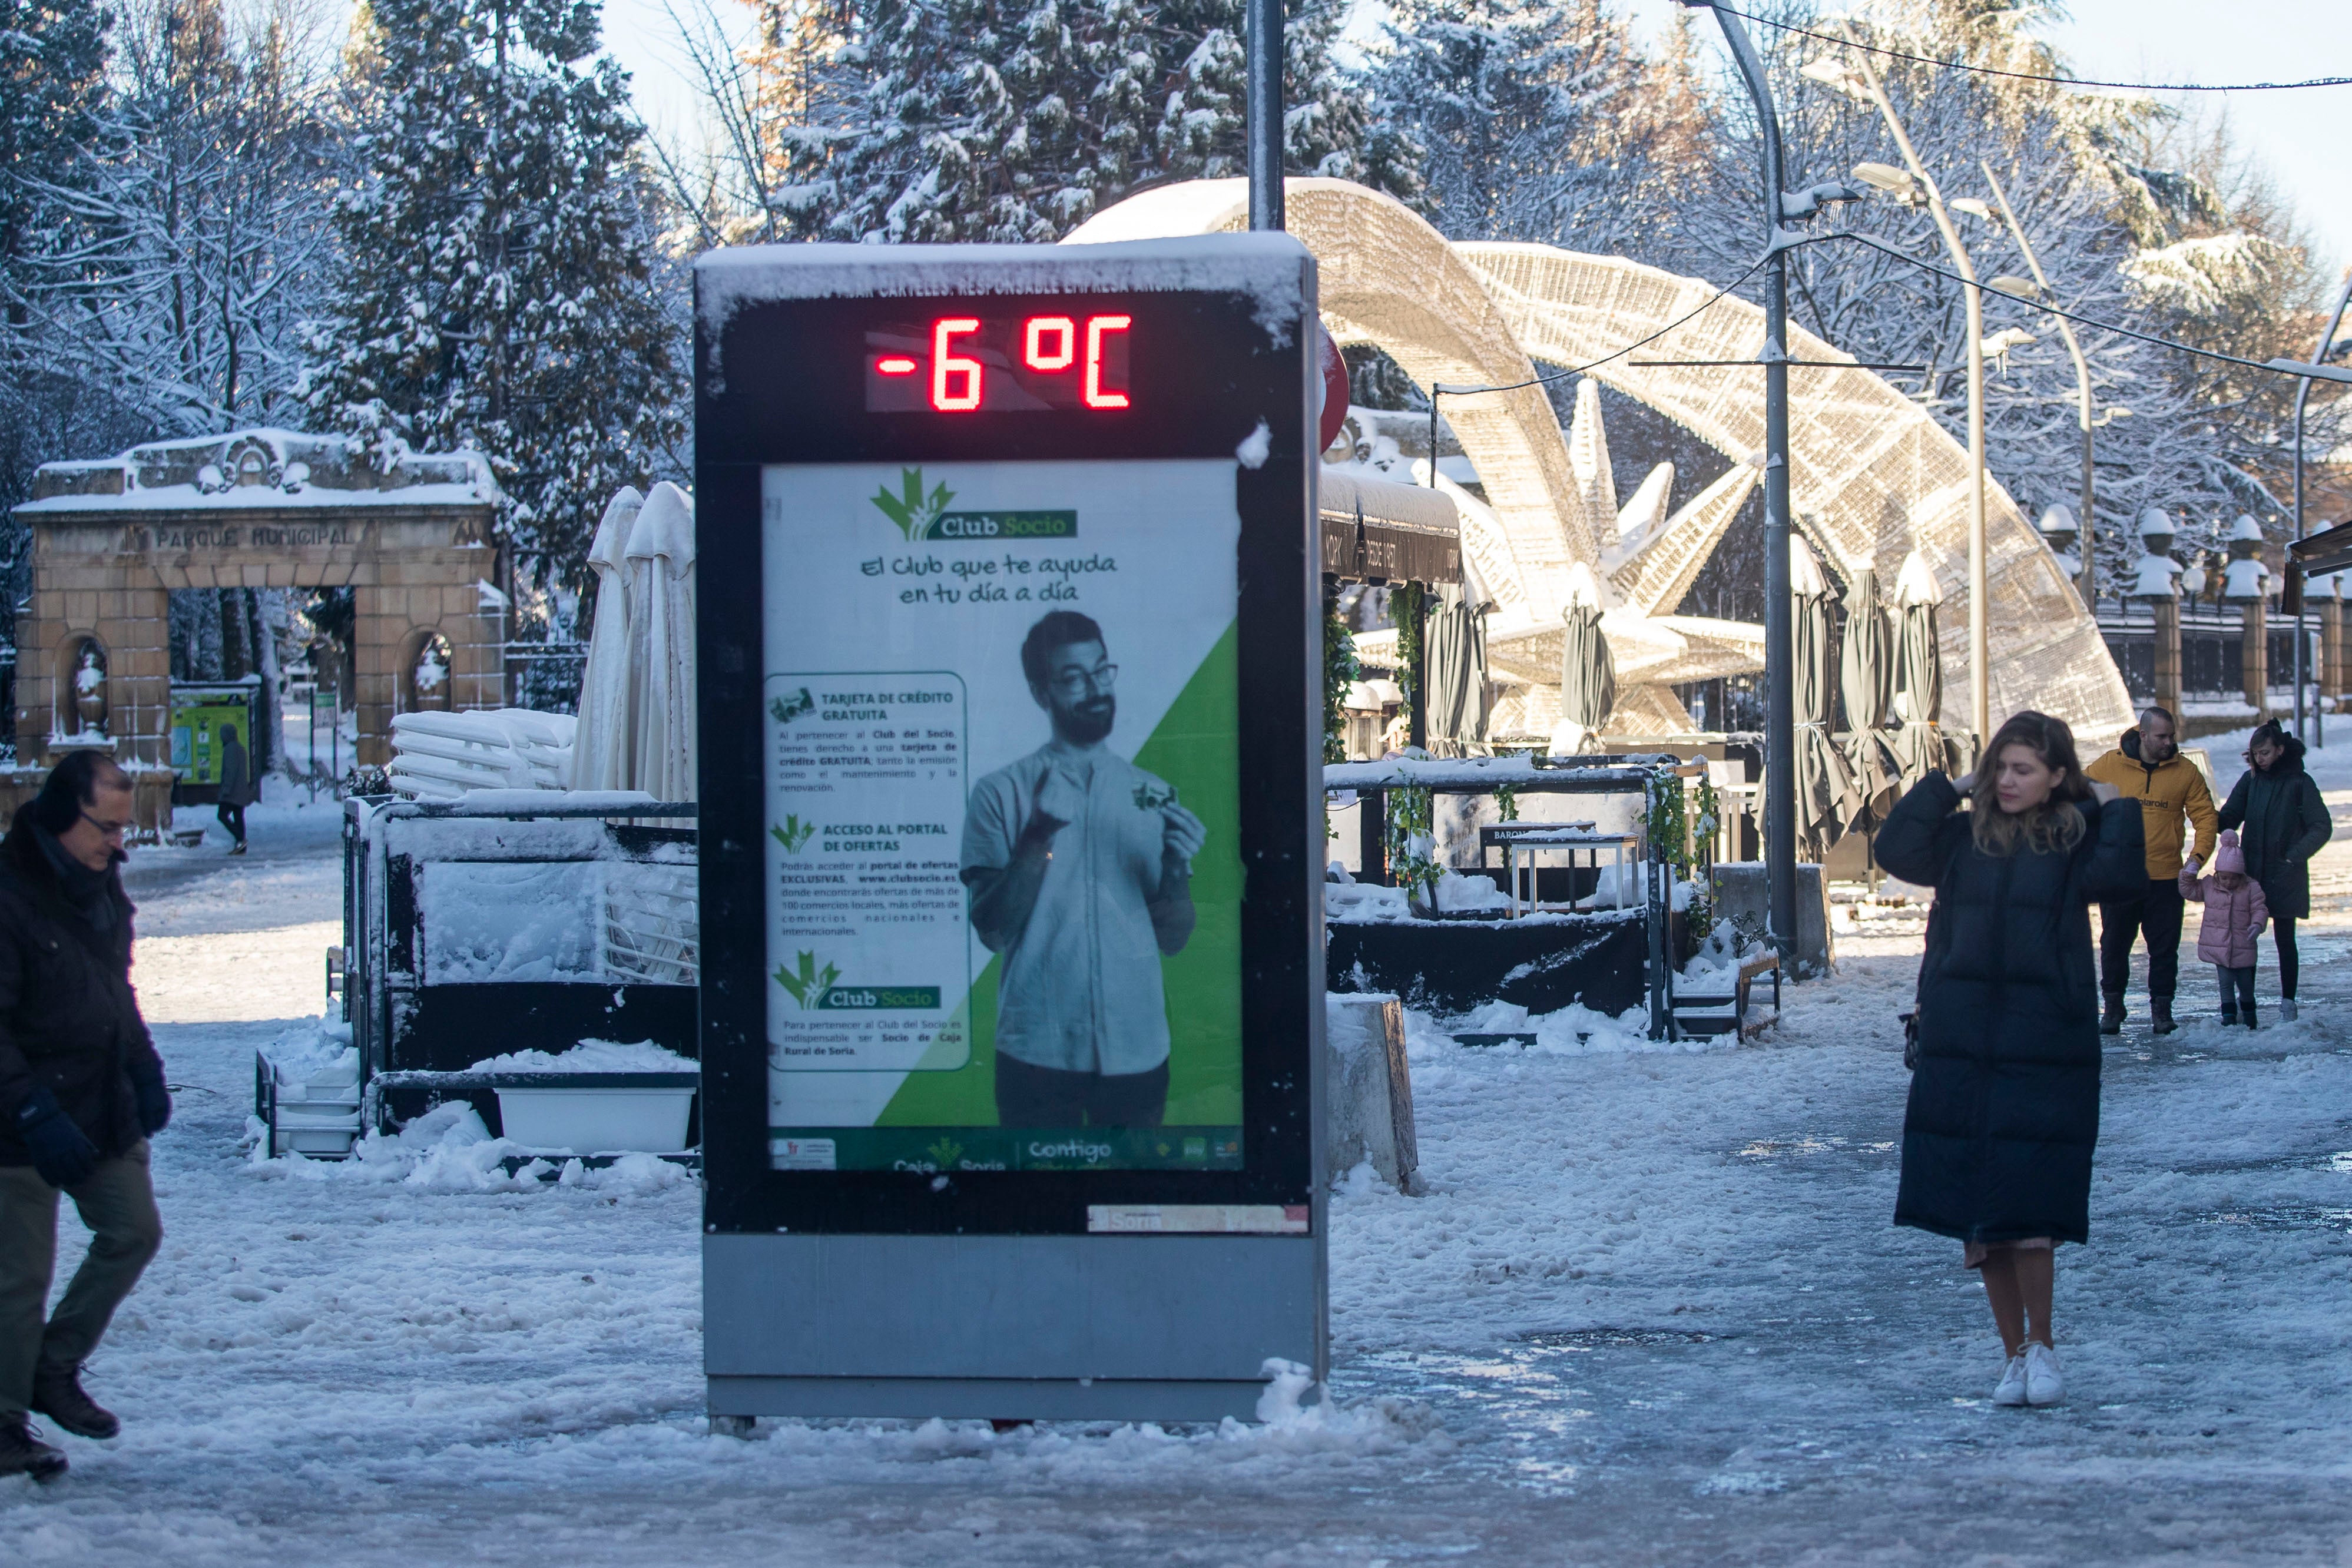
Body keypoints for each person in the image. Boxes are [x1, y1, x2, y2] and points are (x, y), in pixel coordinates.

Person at [1877, 710, 2144, 1410]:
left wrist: (2115, 808)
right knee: (1981, 1218)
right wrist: (1953, 784)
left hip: (2042, 1043)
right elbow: (1894, 848)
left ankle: (2045, 1343)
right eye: (2001, 766)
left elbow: (2122, 876)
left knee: (2031, 1209)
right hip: (1961, 1044)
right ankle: (2011, 1354)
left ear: (2057, 776)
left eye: (2024, 768)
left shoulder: (2071, 837)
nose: (2007, 779)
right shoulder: (1963, 837)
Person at [960, 611, 1207, 1128]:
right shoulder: (1000, 793)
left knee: (1135, 1205)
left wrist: (1175, 868)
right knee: (1032, 1207)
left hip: (1138, 1049)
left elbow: (1176, 937)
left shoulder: (1153, 794)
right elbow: (992, 930)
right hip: (1036, 1051)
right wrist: (1038, 835)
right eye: (1073, 677)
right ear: (1039, 691)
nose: (1095, 689)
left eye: (1101, 671)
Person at [0, 751, 168, 1481]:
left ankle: (52, 1366)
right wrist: (33, 1109)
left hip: (99, 1097)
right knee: (17, 1277)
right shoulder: (8, 893)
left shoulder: (103, 885)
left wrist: (144, 1063)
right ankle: (4, 1421)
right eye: (106, 827)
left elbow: (115, 987)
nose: (119, 843)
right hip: (19, 1114)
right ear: (65, 815)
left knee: (133, 1229)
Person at [2084, 705, 2215, 1035]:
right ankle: (2113, 1007)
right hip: (2119, 878)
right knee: (2114, 946)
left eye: (2172, 736)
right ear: (2142, 735)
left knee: (2164, 950)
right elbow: (2079, 801)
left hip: (2167, 878)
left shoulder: (2185, 772)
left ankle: (2162, 1010)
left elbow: (2206, 818)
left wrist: (2196, 860)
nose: (2169, 742)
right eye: (2162, 736)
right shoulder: (2109, 766)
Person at [2215, 719, 2331, 1022]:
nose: (2260, 759)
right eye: (2255, 754)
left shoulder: (2299, 783)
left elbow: (2321, 826)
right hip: (2251, 873)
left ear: (2280, 750)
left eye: (2265, 753)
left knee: (2284, 938)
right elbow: (2230, 816)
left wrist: (2294, 856)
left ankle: (2288, 1002)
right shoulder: (2250, 780)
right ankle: (2246, 1002)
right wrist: (2209, 816)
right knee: (2245, 939)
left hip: (2285, 875)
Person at [2181, 830, 2268, 1027]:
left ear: (2241, 876)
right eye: (2225, 877)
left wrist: (2257, 925)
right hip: (2219, 947)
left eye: (2233, 878)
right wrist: (2188, 873)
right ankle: (2228, 1019)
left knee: (2246, 986)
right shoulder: (2210, 886)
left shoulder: (2251, 888)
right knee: (2225, 984)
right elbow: (2188, 891)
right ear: (2217, 874)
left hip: (2243, 946)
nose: (2229, 882)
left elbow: (2260, 908)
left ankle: (2250, 1017)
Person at [216, 720, 256, 855]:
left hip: (231, 792)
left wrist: (226, 788)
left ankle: (240, 839)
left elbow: (230, 771)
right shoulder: (241, 748)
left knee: (222, 816)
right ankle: (241, 847)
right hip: (241, 790)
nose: (221, 737)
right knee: (239, 817)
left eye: (222, 734)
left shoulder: (229, 749)